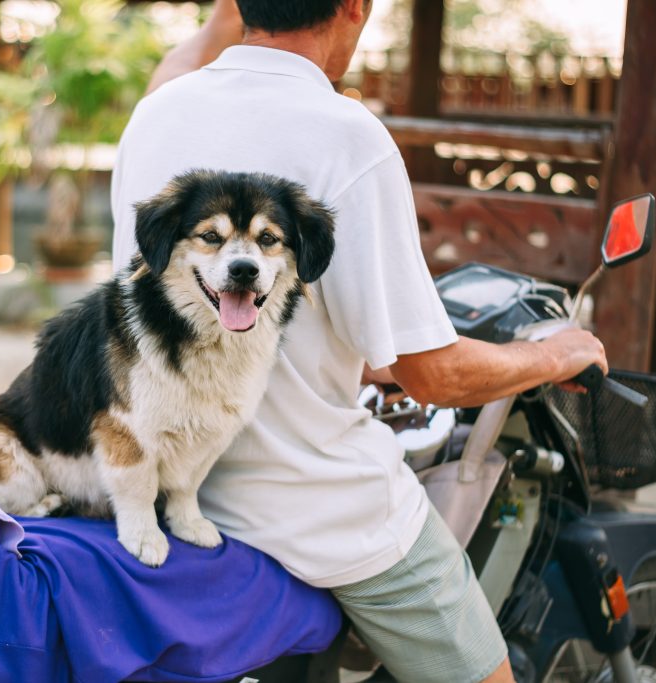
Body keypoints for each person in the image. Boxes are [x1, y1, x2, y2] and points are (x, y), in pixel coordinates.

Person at [109, 1, 608, 681]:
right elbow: (433, 375)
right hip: (308, 504)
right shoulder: (349, 136)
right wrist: (554, 355)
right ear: (354, 6)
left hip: (161, 477)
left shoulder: (157, 113)